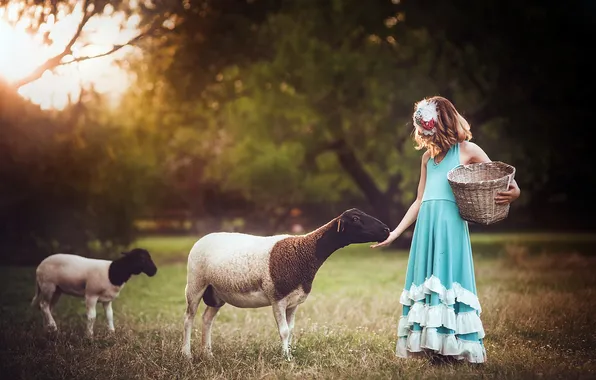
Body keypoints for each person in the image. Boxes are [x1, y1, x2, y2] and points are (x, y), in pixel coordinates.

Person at [371, 96, 520, 363]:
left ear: (444, 124)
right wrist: (394, 233)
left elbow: (502, 178)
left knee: (448, 281)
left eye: (431, 129)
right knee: (428, 285)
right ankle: (431, 347)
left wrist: (515, 191)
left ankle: (454, 347)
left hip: (450, 228)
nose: (427, 136)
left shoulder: (467, 150)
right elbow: (419, 200)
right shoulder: (427, 159)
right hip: (426, 229)